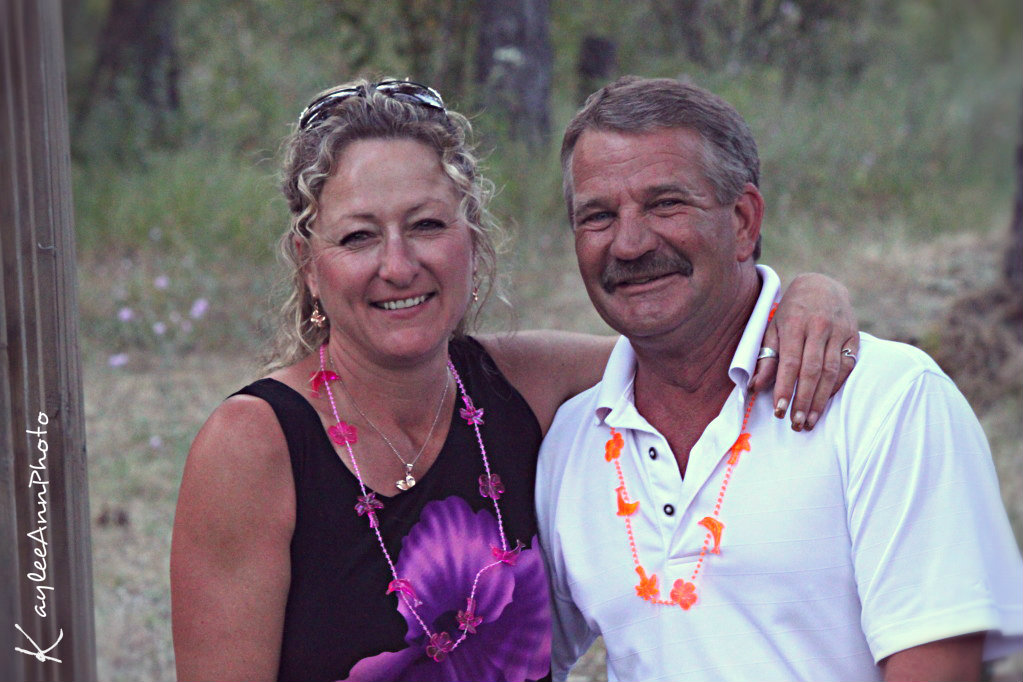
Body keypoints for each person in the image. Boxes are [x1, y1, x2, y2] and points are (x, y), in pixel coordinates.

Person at [169, 77, 859, 682]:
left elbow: (696, 345)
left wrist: (808, 295)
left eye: (426, 225)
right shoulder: (253, 446)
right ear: (309, 264)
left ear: (471, 239)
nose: (398, 265)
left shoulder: (525, 384)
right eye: (358, 237)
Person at [536, 75, 1023, 682]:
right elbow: (511, 659)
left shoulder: (889, 400)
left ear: (743, 221)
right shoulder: (571, 443)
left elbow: (941, 668)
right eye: (598, 216)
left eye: (665, 204)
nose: (629, 243)